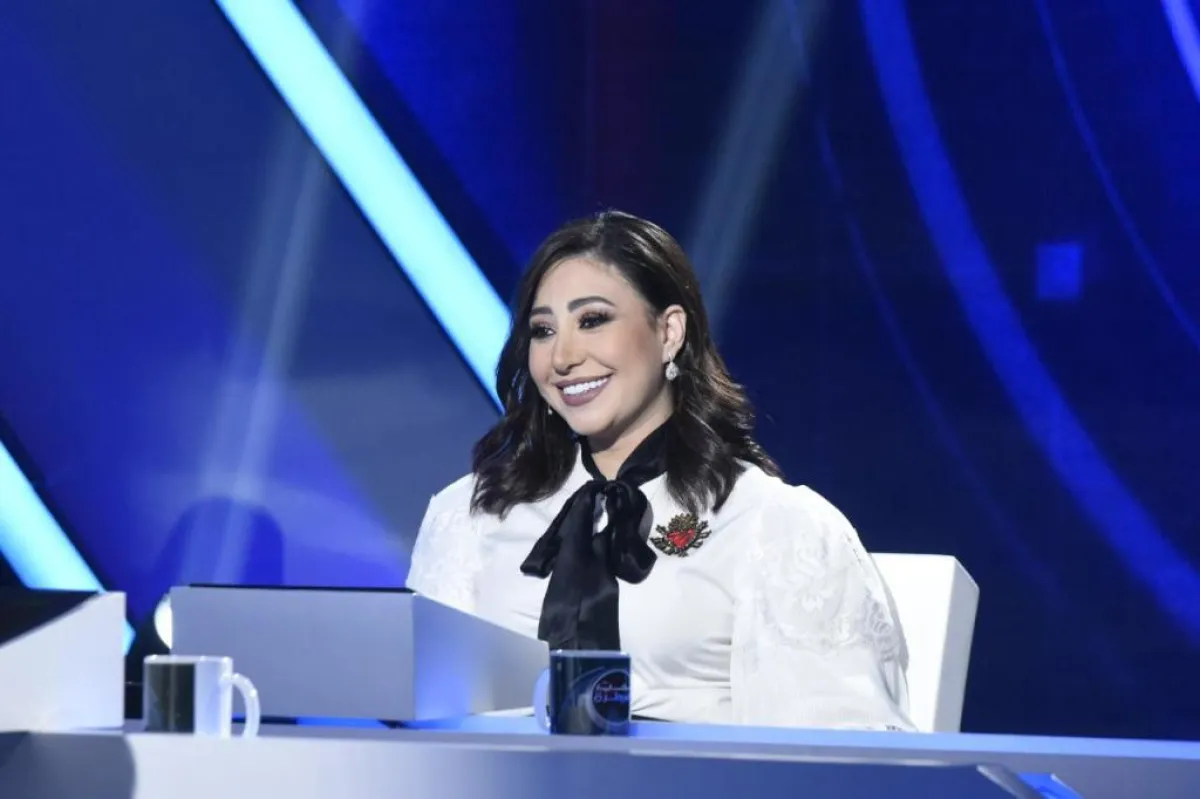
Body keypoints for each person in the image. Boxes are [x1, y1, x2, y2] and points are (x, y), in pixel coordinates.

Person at [406, 210, 913, 730]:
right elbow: (422, 728)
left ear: (669, 332)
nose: (562, 357)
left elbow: (826, 749)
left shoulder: (770, 524)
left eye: (592, 320)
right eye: (543, 330)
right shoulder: (471, 515)